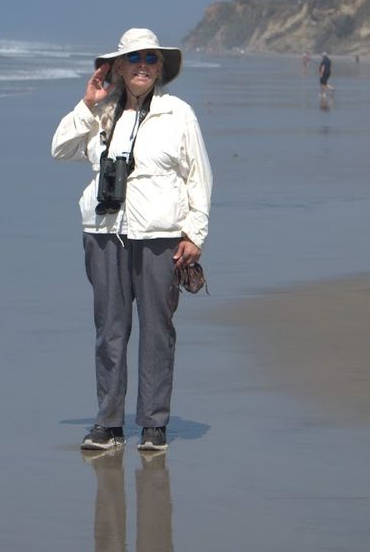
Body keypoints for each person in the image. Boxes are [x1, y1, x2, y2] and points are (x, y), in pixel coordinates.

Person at [51, 28, 213, 454]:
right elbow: (59, 149)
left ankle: (154, 424)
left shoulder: (178, 113)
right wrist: (87, 104)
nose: (143, 65)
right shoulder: (100, 112)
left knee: (157, 329)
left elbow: (199, 176)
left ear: (160, 67)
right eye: (134, 59)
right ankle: (108, 424)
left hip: (161, 235)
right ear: (118, 67)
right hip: (104, 233)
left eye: (151, 58)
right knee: (110, 331)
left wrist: (195, 233)